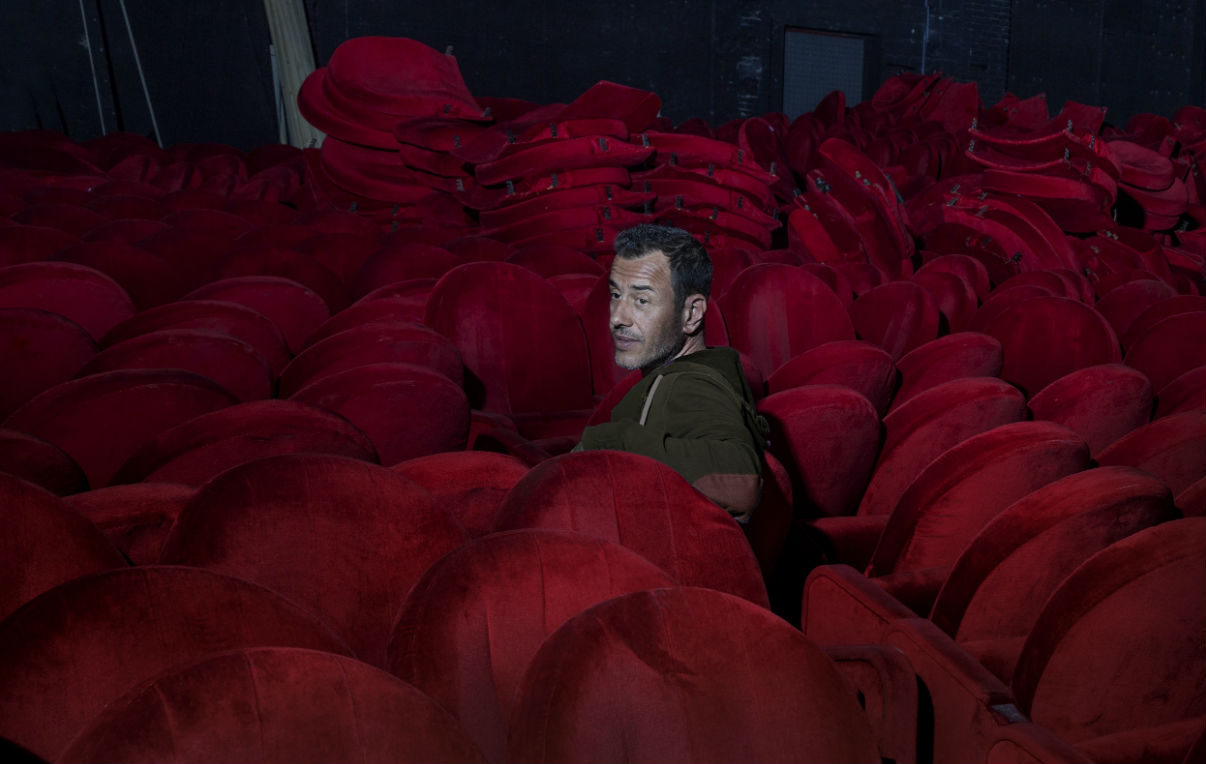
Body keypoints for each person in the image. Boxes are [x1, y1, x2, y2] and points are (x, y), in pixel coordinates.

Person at [575, 223, 767, 520]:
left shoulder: (689, 386)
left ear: (691, 314)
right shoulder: (691, 370)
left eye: (641, 300)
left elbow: (741, 480)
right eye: (615, 294)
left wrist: (612, 440)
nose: (617, 317)